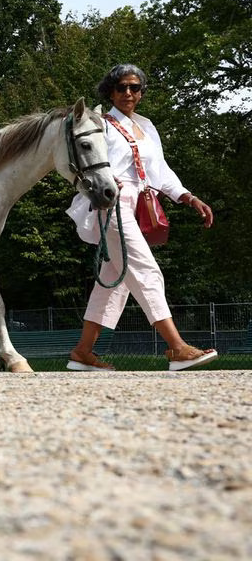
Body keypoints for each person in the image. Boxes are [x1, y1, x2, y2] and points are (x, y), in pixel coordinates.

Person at [66, 63, 217, 372]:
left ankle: (82, 352)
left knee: (113, 282)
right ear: (110, 91)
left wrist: (188, 196)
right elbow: (82, 161)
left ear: (142, 93)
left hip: (141, 202)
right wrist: (105, 181)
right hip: (112, 203)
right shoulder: (101, 124)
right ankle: (176, 348)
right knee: (146, 270)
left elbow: (160, 172)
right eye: (121, 87)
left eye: (135, 87)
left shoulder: (147, 128)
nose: (128, 93)